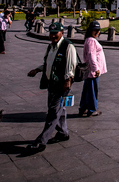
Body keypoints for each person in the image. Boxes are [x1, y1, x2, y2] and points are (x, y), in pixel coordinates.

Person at [26, 22, 77, 152]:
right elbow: (48, 63)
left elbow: (71, 65)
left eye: (56, 33)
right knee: (59, 110)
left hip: (62, 84)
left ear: (62, 33)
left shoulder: (67, 46)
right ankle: (63, 133)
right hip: (51, 83)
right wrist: (37, 70)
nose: (53, 35)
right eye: (51, 33)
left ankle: (41, 141)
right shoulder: (51, 47)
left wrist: (68, 80)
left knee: (53, 113)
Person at [79, 21, 107, 117]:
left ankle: (83, 108)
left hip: (90, 69)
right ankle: (91, 109)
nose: (96, 32)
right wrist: (96, 69)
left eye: (98, 30)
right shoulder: (91, 41)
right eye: (94, 30)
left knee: (87, 89)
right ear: (90, 30)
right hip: (92, 70)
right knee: (92, 90)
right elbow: (91, 55)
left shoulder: (89, 39)